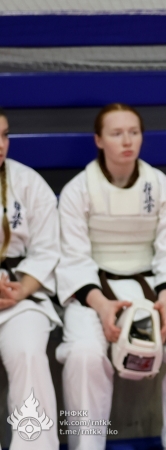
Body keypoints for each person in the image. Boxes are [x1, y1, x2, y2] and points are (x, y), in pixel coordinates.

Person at [56, 103, 166, 450]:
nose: (127, 141)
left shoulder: (159, 185)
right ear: (99, 140)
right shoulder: (78, 190)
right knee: (83, 355)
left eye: (134, 132)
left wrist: (165, 302)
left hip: (154, 287)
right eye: (116, 133)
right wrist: (101, 306)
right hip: (94, 291)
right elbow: (71, 257)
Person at [0, 108, 61, 450]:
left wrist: (21, 288)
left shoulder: (28, 182)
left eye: (5, 135)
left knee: (27, 353)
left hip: (18, 293)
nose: (0, 144)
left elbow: (48, 247)